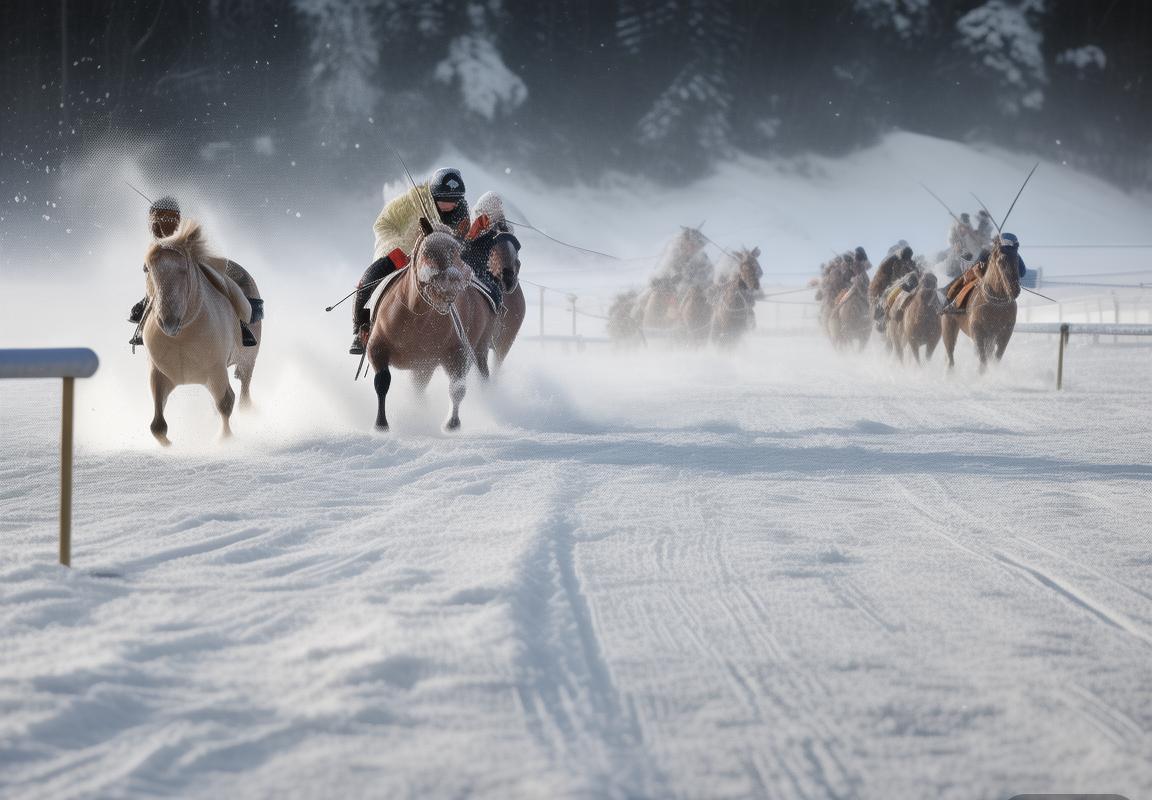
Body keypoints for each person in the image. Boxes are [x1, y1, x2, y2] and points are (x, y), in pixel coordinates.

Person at [349, 167, 471, 354]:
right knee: (369, 279)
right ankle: (361, 329)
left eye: (454, 201)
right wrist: (399, 248)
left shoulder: (461, 211)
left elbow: (459, 240)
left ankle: (464, 334)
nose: (450, 205)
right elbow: (382, 224)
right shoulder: (412, 202)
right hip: (401, 252)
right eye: (445, 201)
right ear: (434, 196)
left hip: (438, 257)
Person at [128, 197, 262, 347]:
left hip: (194, 263)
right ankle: (143, 324)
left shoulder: (182, 228)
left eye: (167, 216)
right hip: (169, 269)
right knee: (154, 289)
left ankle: (240, 325)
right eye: (160, 216)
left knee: (221, 283)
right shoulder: (156, 230)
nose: (163, 220)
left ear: (176, 217)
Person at [941, 232, 1027, 313]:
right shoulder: (1016, 256)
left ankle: (954, 303)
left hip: (987, 280)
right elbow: (1023, 272)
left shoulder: (990, 250)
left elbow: (977, 263)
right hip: (1008, 286)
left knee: (967, 285)